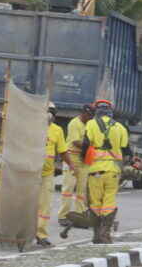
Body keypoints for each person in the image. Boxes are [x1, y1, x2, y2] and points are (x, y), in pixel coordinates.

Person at [83, 100, 130, 244]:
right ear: (110, 112)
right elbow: (126, 149)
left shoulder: (91, 124)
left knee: (95, 203)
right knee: (109, 201)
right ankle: (105, 234)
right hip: (113, 171)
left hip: (95, 171)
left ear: (97, 112)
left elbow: (85, 145)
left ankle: (96, 235)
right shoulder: (120, 127)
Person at [36, 102, 72, 247]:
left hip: (46, 174)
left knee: (44, 206)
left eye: (51, 112)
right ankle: (21, 232)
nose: (49, 115)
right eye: (47, 111)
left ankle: (41, 235)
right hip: (29, 173)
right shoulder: (32, 127)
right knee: (25, 204)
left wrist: (72, 166)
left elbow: (63, 151)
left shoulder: (57, 130)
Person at [57, 104, 94, 226]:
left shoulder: (89, 124)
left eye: (91, 116)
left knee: (82, 190)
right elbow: (76, 142)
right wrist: (91, 145)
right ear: (83, 113)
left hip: (84, 159)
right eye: (88, 115)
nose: (90, 118)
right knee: (68, 188)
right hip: (72, 158)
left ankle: (80, 215)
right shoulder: (74, 123)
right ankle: (63, 216)